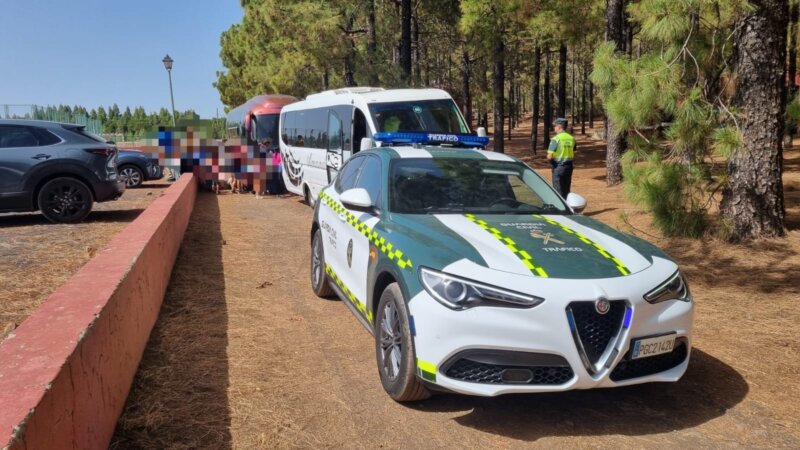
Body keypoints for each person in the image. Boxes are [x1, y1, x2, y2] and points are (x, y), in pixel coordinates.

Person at [547, 118, 576, 198]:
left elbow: (549, 156)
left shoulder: (555, 139)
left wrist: (553, 165)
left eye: (555, 126)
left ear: (559, 127)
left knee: (558, 191)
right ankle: (568, 207)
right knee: (566, 189)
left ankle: (561, 209)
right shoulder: (571, 138)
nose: (554, 128)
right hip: (569, 167)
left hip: (558, 167)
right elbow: (573, 153)